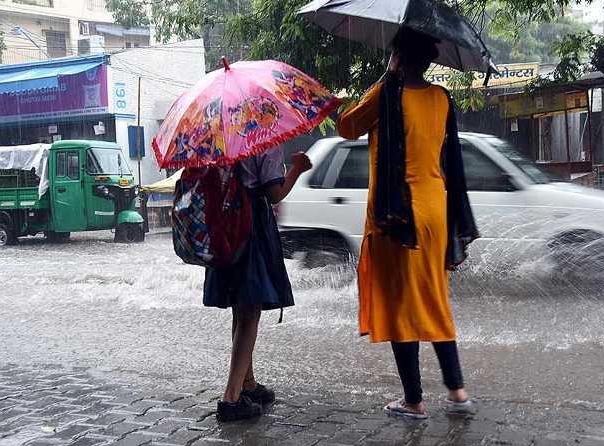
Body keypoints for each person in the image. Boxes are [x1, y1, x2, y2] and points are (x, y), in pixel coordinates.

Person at [336, 28, 479, 419]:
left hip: (399, 213)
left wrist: (385, 76)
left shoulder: (387, 95)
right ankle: (458, 391)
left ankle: (413, 400)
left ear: (397, 57)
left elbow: (346, 125)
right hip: (436, 210)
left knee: (401, 306)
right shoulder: (441, 98)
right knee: (433, 296)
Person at [203, 148, 312, 422]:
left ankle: (246, 383)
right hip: (249, 224)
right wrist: (298, 167)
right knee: (250, 309)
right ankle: (231, 398)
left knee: (240, 308)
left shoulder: (220, 137)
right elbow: (275, 193)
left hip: (223, 223)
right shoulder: (262, 137)